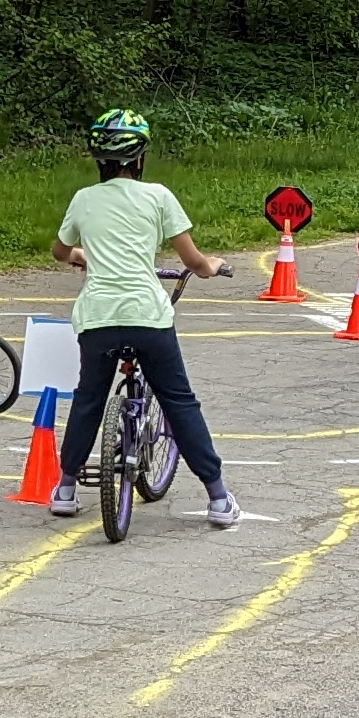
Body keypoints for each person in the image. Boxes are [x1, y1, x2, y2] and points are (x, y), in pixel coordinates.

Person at [49, 109, 241, 528]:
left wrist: (82, 255)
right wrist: (211, 266)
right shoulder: (158, 196)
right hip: (147, 315)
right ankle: (218, 497)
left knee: (88, 400)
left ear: (99, 160)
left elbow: (60, 252)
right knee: (179, 401)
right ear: (139, 158)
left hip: (98, 318)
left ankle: (65, 489)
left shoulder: (83, 199)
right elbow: (192, 260)